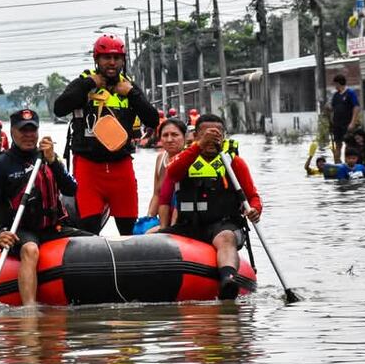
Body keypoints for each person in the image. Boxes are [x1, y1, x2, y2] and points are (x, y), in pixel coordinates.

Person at [53, 34, 159, 235]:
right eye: (106, 57)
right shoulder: (83, 83)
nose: (112, 62)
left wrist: (132, 94)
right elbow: (59, 108)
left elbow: (153, 120)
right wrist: (88, 85)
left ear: (123, 60)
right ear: (96, 59)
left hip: (121, 167)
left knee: (128, 229)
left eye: (117, 58)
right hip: (88, 168)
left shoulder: (129, 87)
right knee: (89, 229)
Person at [0, 109, 85, 306]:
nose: (28, 135)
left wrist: (54, 161)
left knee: (92, 243)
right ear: (12, 131)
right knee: (30, 250)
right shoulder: (1, 165)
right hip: (20, 230)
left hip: (52, 227)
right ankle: (29, 309)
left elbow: (71, 188)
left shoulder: (47, 157)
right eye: (23, 131)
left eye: (32, 130)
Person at [161, 113, 262, 300]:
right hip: (188, 226)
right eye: (206, 135)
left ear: (223, 137)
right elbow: (173, 173)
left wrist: (254, 209)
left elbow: (252, 196)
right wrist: (199, 146)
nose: (211, 140)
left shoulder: (234, 163)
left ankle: (228, 280)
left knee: (225, 237)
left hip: (224, 225)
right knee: (153, 237)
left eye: (216, 135)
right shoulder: (184, 159)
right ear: (196, 136)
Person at [141, 117, 187, 232]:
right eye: (165, 135)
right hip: (163, 218)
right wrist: (149, 218)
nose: (169, 139)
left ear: (184, 137)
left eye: (175, 135)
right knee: (141, 229)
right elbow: (156, 193)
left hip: (183, 219)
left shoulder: (189, 158)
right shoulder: (161, 158)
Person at [329, 73, 361, 163]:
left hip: (347, 124)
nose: (335, 86)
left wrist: (352, 122)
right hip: (337, 124)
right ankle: (338, 163)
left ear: (339, 83)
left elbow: (356, 107)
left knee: (348, 144)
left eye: (335, 84)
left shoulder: (350, 93)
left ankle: (348, 163)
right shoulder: (336, 95)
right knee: (337, 145)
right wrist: (331, 122)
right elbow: (333, 109)